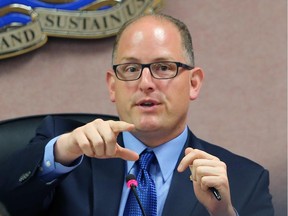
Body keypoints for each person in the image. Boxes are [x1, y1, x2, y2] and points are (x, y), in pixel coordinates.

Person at [0, 13, 274, 216]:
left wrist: (223, 212)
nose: (145, 83)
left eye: (164, 67)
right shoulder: (67, 151)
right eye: (131, 69)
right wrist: (64, 149)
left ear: (194, 83)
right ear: (112, 85)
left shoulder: (245, 180)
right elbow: (9, 197)